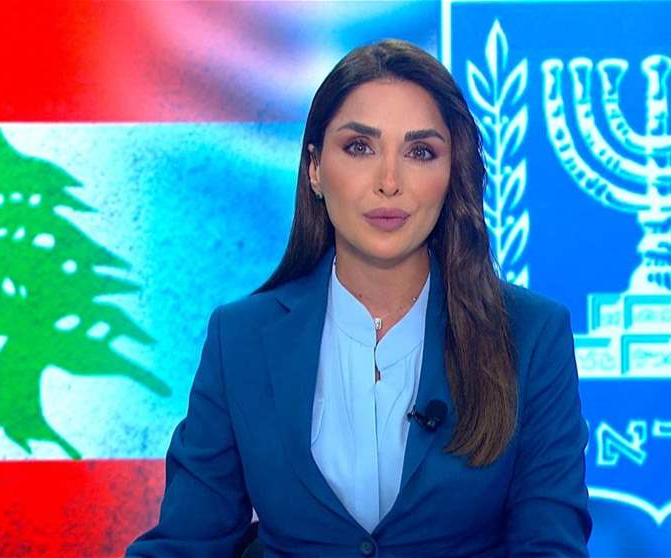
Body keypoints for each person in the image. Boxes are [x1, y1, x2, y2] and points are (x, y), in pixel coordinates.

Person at [126, 38, 591, 557]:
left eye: (420, 152)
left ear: (451, 173)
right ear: (315, 168)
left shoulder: (531, 335)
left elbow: (549, 544)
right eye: (359, 147)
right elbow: (186, 542)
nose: (389, 182)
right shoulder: (240, 338)